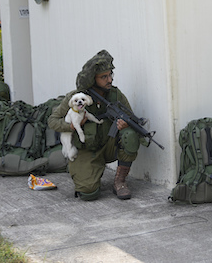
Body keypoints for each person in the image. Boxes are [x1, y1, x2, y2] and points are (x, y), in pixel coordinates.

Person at [48, 50, 145, 201]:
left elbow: (130, 116)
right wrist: (72, 127)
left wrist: (125, 126)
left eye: (110, 75)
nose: (110, 80)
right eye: (104, 77)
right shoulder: (76, 97)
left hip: (108, 145)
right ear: (93, 79)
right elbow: (52, 121)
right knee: (88, 193)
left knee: (130, 135)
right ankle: (86, 171)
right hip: (86, 150)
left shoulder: (116, 95)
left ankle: (120, 181)